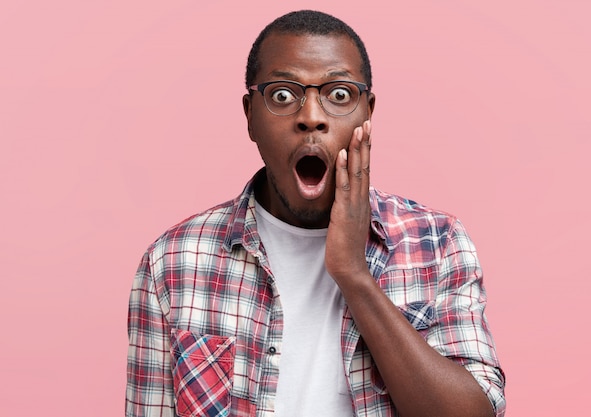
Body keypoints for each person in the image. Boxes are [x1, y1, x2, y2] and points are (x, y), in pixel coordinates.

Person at [126, 9, 505, 417]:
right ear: (249, 114)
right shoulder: (172, 261)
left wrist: (354, 276)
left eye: (338, 95)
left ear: (368, 113)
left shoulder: (438, 243)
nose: (311, 117)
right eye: (283, 95)